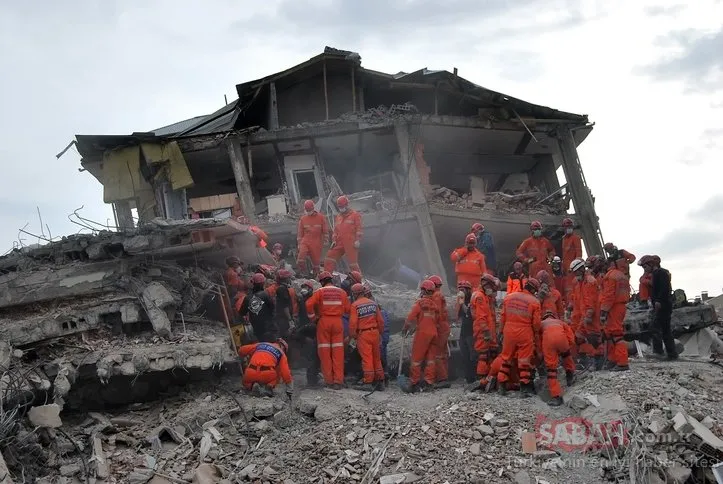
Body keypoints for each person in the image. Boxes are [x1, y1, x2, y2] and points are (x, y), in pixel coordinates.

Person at [497, 278, 542, 397]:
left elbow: (503, 316)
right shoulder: (534, 301)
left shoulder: (509, 297)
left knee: (506, 358)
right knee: (524, 361)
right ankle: (525, 389)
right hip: (525, 331)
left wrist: (501, 332)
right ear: (533, 289)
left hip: (509, 330)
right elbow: (536, 324)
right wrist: (536, 335)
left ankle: (501, 385)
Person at [305, 271, 351, 388]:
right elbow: (347, 309)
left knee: (324, 352)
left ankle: (329, 381)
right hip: (337, 322)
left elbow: (308, 305)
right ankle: (338, 381)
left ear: (322, 282)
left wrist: (313, 318)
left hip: (324, 322)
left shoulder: (319, 292)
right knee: (338, 352)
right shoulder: (342, 292)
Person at [402, 280, 440, 393]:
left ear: (423, 290)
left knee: (416, 359)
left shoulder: (419, 303)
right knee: (431, 360)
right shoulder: (434, 305)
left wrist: (405, 328)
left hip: (422, 334)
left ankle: (414, 383)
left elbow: (410, 317)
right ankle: (429, 382)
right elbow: (436, 320)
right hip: (434, 333)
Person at [349, 283, 385, 391]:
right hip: (375, 332)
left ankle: (368, 382)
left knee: (367, 358)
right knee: (376, 358)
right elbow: (381, 322)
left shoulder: (355, 305)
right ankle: (380, 381)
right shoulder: (373, 304)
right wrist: (380, 334)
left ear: (355, 294)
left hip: (363, 334)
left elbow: (353, 324)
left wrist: (354, 336)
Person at [570, 258, 604, 370]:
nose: (575, 274)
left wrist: (589, 315)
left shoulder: (589, 281)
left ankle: (599, 361)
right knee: (579, 337)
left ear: (581, 269)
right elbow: (580, 300)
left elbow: (591, 300)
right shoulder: (581, 282)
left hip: (591, 316)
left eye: (576, 272)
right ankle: (588, 360)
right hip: (584, 316)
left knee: (594, 338)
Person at [644, 255, 678, 360]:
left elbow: (664, 288)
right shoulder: (656, 274)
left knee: (656, 327)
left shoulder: (661, 273)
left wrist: (658, 300)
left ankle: (659, 352)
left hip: (663, 305)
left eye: (645, 267)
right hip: (663, 304)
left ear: (651, 264)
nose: (644, 269)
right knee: (665, 329)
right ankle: (672, 354)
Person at [538, 311, 576, 406]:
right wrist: (566, 348)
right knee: (566, 355)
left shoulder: (541, 324)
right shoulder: (561, 322)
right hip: (562, 339)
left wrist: (541, 354)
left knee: (551, 370)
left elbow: (538, 340)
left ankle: (556, 397)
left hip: (548, 341)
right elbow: (571, 338)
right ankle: (570, 375)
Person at [600, 259, 631, 371]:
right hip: (621, 305)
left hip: (614, 306)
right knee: (611, 333)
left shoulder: (610, 276)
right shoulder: (622, 275)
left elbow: (609, 295)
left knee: (616, 334)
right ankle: (613, 359)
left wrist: (604, 310)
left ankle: (622, 363)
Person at [324, 195, 363, 273]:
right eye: (339, 207)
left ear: (347, 205)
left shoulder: (355, 215)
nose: (341, 208)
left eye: (342, 206)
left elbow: (359, 229)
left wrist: (358, 240)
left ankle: (359, 281)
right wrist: (334, 240)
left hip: (351, 242)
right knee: (329, 257)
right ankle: (327, 277)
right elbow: (335, 231)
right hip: (339, 242)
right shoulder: (338, 217)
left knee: (353, 264)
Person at [473, 274, 498, 382]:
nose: (492, 290)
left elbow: (489, 314)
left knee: (492, 352)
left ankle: (490, 376)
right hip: (483, 331)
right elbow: (481, 317)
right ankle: (482, 378)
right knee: (483, 355)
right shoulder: (480, 297)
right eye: (491, 287)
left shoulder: (484, 296)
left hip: (488, 329)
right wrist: (486, 332)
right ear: (486, 285)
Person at [239, 273, 277, 342]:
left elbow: (242, 313)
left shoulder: (247, 298)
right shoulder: (265, 294)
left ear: (253, 283)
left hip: (257, 330)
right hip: (269, 328)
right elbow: (273, 309)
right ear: (263, 283)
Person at [428, 275, 451, 389]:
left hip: (440, 327)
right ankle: (445, 376)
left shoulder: (436, 296)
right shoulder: (439, 295)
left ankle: (442, 378)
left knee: (437, 353)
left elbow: (436, 313)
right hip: (444, 326)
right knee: (442, 353)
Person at [297, 200, 330, 276]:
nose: (308, 212)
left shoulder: (321, 217)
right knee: (301, 258)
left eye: (309, 210)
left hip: (316, 243)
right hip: (305, 241)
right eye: (307, 210)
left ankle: (316, 276)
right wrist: (299, 243)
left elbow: (325, 230)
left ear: (313, 209)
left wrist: (326, 239)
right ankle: (303, 273)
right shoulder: (303, 219)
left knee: (316, 263)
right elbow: (300, 233)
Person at [456, 281, 477, 384]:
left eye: (463, 289)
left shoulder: (472, 300)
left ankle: (474, 377)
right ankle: (468, 377)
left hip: (471, 332)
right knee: (464, 355)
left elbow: (469, 314)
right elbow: (460, 316)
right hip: (464, 331)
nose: (461, 291)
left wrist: (462, 303)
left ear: (468, 290)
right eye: (460, 289)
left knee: (472, 355)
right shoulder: (462, 300)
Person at [274, 269, 298, 337]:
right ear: (285, 278)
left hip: (282, 317)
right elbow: (285, 306)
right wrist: (290, 319)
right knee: (285, 335)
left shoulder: (281, 288)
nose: (289, 279)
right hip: (283, 318)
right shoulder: (282, 289)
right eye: (288, 277)